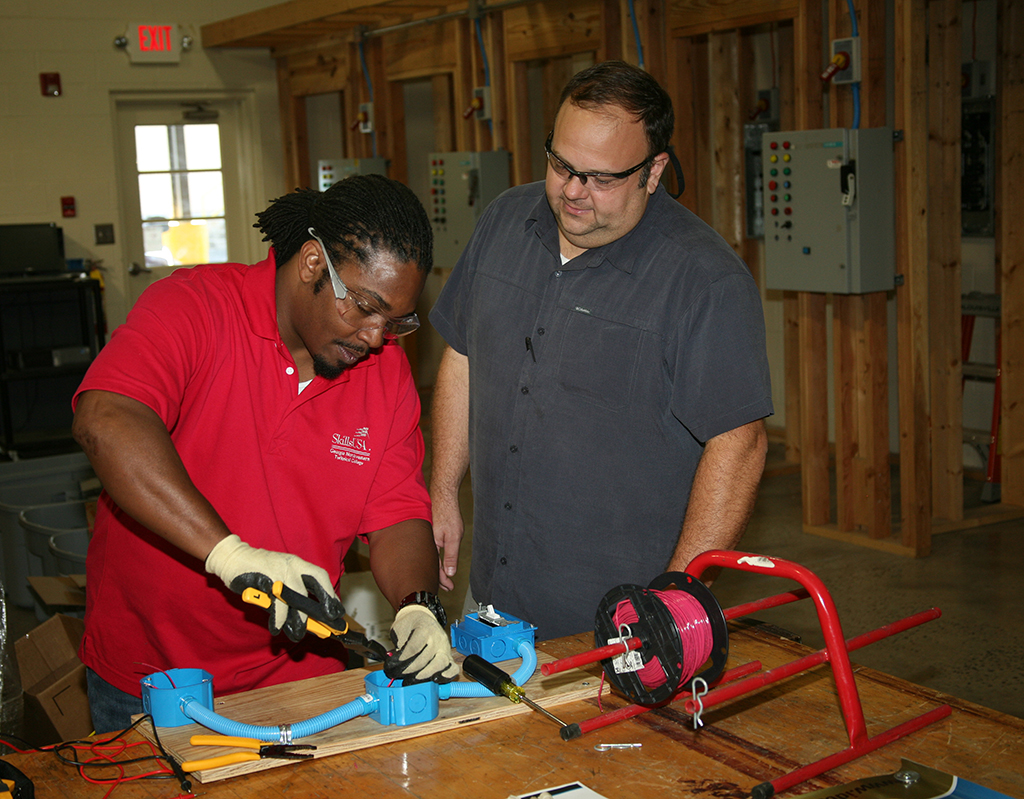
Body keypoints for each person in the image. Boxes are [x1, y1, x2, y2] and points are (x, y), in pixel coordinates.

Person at [72, 174, 457, 733]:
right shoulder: (194, 308)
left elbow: (396, 512)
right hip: (152, 677)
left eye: (395, 321)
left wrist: (418, 603)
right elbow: (106, 420)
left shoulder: (385, 374)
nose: (376, 337)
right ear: (310, 263)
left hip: (300, 678)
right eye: (366, 308)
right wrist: (228, 555)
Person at [429, 61, 773, 641]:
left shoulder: (703, 282)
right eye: (561, 165)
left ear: (654, 170)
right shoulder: (502, 224)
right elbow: (463, 355)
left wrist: (674, 606)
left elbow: (739, 444)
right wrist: (441, 491)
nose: (571, 191)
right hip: (491, 597)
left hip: (618, 624)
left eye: (600, 178)